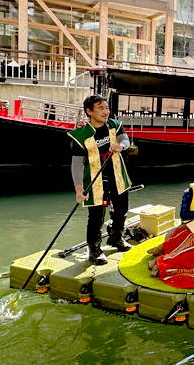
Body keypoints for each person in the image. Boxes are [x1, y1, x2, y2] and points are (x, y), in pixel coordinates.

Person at [69, 94, 132, 265]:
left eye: (107, 108)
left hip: (117, 176)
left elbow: (125, 140)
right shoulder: (81, 135)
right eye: (101, 108)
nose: (106, 112)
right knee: (96, 216)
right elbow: (76, 165)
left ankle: (116, 237)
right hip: (95, 180)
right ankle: (95, 249)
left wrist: (121, 146)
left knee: (122, 209)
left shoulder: (115, 125)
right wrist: (78, 189)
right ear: (89, 111)